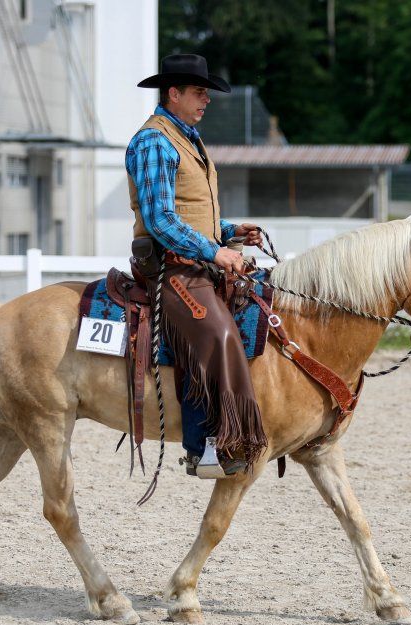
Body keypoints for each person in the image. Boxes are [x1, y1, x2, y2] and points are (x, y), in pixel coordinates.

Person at [125, 54, 267, 475]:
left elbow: (192, 213)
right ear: (174, 93)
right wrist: (217, 252)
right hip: (170, 267)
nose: (207, 100)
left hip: (196, 262)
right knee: (218, 332)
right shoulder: (154, 141)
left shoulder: (188, 139)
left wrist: (231, 232)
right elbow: (160, 220)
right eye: (200, 92)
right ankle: (206, 446)